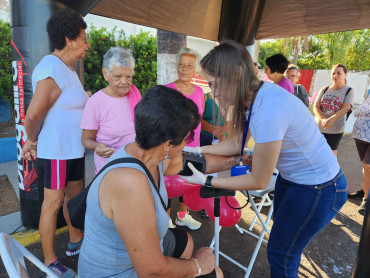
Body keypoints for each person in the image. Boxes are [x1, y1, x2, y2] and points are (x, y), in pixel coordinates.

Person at [180, 41, 347, 278]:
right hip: (294, 181)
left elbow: (259, 179)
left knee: (281, 254)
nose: (213, 93)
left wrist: (207, 181)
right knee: (282, 247)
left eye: (216, 84)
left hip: (319, 187)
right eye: (209, 85)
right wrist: (195, 149)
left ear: (237, 74)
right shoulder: (253, 99)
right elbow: (237, 146)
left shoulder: (269, 106)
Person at [78, 85, 223, 278]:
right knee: (216, 273)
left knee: (185, 240)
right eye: (187, 137)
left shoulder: (144, 151)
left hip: (135, 258)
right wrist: (198, 266)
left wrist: (237, 161)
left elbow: (197, 164)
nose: (188, 142)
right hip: (119, 273)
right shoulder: (130, 183)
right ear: (167, 144)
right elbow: (150, 271)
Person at [21, 10, 90, 277]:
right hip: (57, 152)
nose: (87, 43)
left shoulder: (69, 70)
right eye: (84, 37)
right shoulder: (51, 67)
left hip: (73, 150)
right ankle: (49, 261)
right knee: (52, 203)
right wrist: (32, 140)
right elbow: (33, 115)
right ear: (69, 39)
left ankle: (75, 242)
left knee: (73, 198)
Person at [80, 47, 141, 173]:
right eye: (117, 76)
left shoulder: (135, 95)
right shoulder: (95, 103)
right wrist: (97, 146)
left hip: (135, 164)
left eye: (128, 76)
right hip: (109, 169)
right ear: (105, 74)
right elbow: (86, 139)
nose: (124, 82)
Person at [166, 48, 205, 230]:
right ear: (176, 67)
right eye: (181, 65)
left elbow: (200, 118)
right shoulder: (168, 90)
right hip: (172, 146)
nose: (184, 69)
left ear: (195, 70)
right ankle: (166, 219)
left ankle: (183, 215)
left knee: (188, 181)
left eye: (189, 66)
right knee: (169, 183)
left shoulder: (199, 92)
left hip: (193, 145)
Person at [313, 64, 355, 156]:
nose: (335, 76)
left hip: (336, 129)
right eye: (333, 73)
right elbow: (316, 106)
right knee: (315, 153)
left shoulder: (349, 90)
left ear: (345, 74)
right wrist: (324, 119)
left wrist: (332, 119)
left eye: (339, 73)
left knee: (331, 154)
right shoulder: (324, 89)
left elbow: (346, 108)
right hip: (319, 127)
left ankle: (333, 171)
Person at [348, 95, 370, 215]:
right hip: (362, 135)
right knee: (365, 167)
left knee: (368, 165)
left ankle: (366, 199)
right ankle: (365, 190)